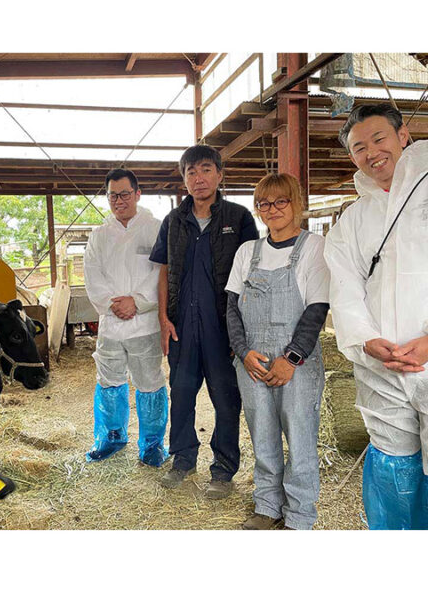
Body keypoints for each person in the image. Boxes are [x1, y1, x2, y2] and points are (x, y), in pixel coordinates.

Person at [323, 103, 428, 530]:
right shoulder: (353, 218)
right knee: (392, 459)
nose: (371, 153)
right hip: (381, 364)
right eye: (359, 148)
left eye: (378, 139)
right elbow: (344, 287)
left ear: (403, 135)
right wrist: (366, 338)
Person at [149, 145, 258, 498]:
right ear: (183, 179)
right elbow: (164, 271)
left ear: (220, 175)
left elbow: (250, 275)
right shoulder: (173, 222)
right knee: (181, 394)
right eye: (191, 172)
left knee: (226, 399)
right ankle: (182, 460)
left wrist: (242, 331)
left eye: (206, 169)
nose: (199, 178)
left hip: (223, 325)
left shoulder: (238, 218)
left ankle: (223, 470)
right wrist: (164, 319)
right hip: (182, 324)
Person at [226, 174, 329, 530]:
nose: (272, 210)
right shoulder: (247, 252)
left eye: (280, 201)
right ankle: (267, 505)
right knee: (263, 435)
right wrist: (243, 352)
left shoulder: (313, 247)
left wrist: (293, 359)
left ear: (296, 203)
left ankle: (300, 515)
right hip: (253, 361)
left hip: (295, 363)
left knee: (300, 438)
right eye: (264, 204)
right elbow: (232, 308)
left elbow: (317, 308)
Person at [83, 168, 168, 466]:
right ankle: (112, 437)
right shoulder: (98, 235)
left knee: (149, 382)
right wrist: (112, 304)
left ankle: (153, 445)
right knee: (109, 381)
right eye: (112, 195)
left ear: (138, 194)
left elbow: (161, 273)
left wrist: (139, 302)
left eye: (125, 194)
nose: (119, 201)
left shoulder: (156, 228)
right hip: (110, 325)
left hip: (144, 324)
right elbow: (92, 276)